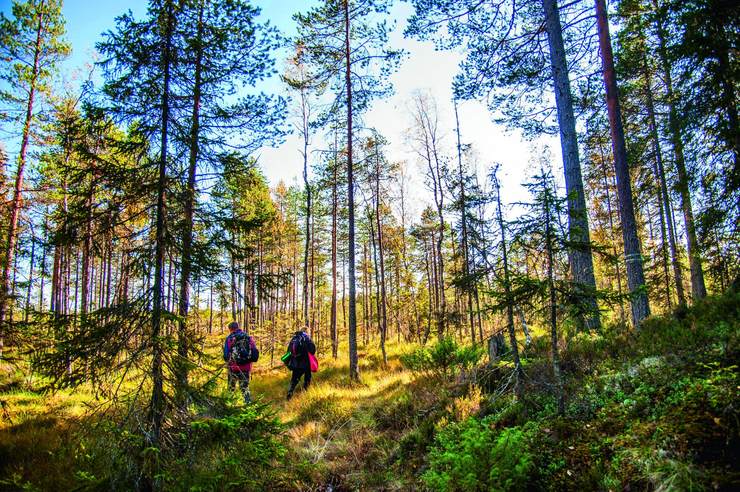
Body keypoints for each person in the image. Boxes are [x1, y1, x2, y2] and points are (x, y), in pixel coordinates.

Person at [223, 321, 258, 404]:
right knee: (245, 389)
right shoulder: (248, 337)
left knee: (231, 389)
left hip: (233, 368)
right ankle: (248, 407)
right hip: (245, 367)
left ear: (230, 329)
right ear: (238, 327)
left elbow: (226, 355)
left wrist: (229, 362)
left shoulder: (229, 338)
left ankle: (230, 407)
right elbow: (254, 352)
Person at [286, 328, 316, 400]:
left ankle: (290, 392)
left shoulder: (294, 339)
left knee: (294, 380)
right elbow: (313, 350)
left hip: (296, 364)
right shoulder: (307, 339)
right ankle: (305, 393)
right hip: (306, 364)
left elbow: (288, 351)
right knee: (307, 379)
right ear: (307, 332)